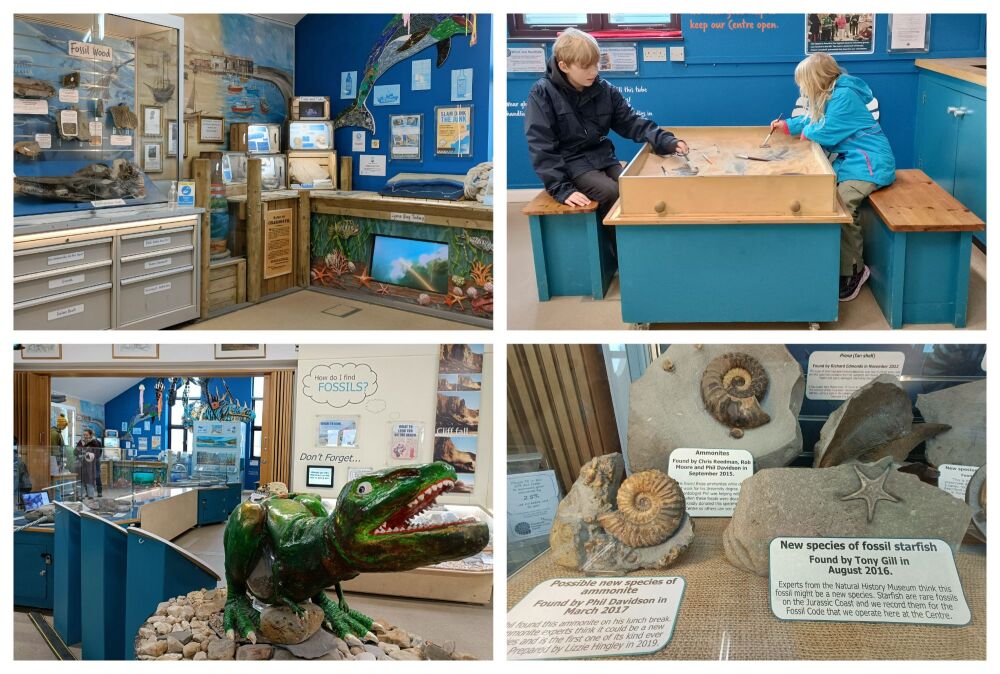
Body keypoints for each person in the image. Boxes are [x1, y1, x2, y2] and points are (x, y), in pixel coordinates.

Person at [525, 27, 688, 219]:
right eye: (586, 67)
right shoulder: (542, 93)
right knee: (611, 192)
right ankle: (612, 248)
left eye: (596, 64)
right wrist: (562, 189)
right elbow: (541, 146)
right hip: (571, 163)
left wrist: (666, 141)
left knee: (631, 187)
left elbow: (631, 122)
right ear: (564, 66)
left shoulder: (604, 89)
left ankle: (633, 243)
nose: (593, 71)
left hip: (602, 157)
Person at [772, 53, 896, 301]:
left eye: (803, 82)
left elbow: (826, 131)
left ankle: (854, 270)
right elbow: (812, 119)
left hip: (870, 163)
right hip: (854, 161)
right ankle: (835, 258)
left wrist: (805, 134)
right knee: (826, 195)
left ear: (816, 79)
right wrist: (787, 127)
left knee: (841, 204)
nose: (801, 88)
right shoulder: (831, 94)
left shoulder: (844, 96)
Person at [75, 429, 103, 498]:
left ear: (91, 435)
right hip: (83, 464)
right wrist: (79, 450)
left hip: (94, 464)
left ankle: (99, 492)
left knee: (96, 477)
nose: (85, 436)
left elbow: (98, 453)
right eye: (84, 435)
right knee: (85, 478)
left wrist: (89, 455)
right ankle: (87, 493)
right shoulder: (81, 442)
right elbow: (75, 452)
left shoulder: (96, 442)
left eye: (86, 435)